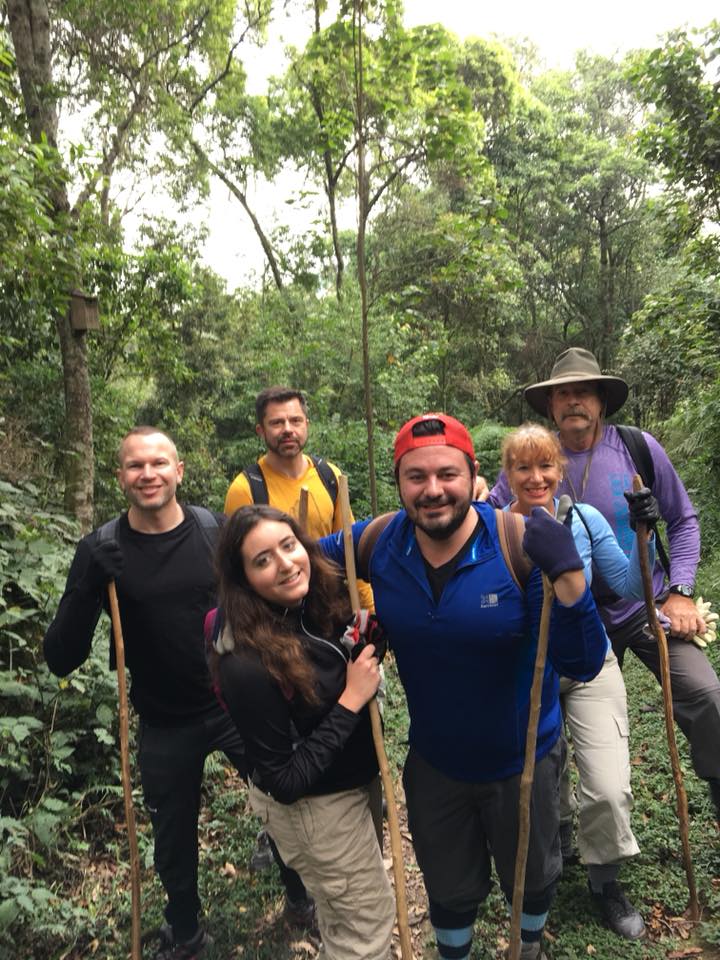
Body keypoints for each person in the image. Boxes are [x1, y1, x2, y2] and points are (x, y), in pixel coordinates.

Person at [320, 413, 608, 960]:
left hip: (523, 761)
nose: (433, 491)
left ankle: (529, 946)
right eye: (416, 476)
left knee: (533, 873)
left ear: (472, 476)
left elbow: (585, 661)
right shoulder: (378, 541)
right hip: (436, 763)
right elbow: (299, 564)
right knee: (449, 885)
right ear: (399, 482)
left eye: (447, 474)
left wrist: (571, 579)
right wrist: (341, 623)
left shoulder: (517, 542)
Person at [42, 427, 307, 960]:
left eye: (159, 463)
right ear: (121, 477)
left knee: (283, 805)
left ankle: (302, 899)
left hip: (237, 706)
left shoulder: (216, 531)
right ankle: (185, 929)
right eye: (135, 466)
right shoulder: (101, 548)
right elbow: (61, 658)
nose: (148, 474)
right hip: (163, 717)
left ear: (178, 471)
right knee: (172, 837)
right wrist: (84, 586)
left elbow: (274, 595)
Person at [487, 350, 720, 829]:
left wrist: (678, 590)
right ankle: (564, 825)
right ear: (550, 406)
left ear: (601, 401)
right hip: (567, 617)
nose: (573, 402)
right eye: (563, 394)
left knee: (707, 696)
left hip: (643, 605)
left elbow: (684, 520)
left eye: (584, 392)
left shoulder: (636, 447)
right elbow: (493, 518)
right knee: (557, 720)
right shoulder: (537, 457)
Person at [207, 504, 395, 960]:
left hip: (350, 787)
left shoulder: (306, 607)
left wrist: (363, 644)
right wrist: (352, 698)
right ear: (242, 579)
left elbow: (329, 668)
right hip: (317, 811)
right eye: (262, 559)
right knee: (366, 927)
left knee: (343, 915)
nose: (286, 563)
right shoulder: (246, 662)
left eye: (288, 546)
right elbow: (284, 781)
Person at [499, 423, 658, 939]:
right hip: (528, 671)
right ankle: (557, 847)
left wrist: (645, 534)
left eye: (545, 465)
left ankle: (605, 882)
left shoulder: (584, 520)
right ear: (508, 473)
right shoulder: (493, 527)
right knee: (540, 781)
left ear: (559, 468)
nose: (535, 476)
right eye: (523, 466)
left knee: (609, 786)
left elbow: (633, 583)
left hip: (589, 664)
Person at [224, 386, 373, 608]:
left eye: (295, 421)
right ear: (261, 431)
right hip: (278, 616)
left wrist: (368, 610)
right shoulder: (246, 489)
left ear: (306, 425)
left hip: (331, 607)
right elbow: (237, 574)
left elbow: (350, 550)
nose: (287, 430)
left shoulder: (329, 475)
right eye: (276, 423)